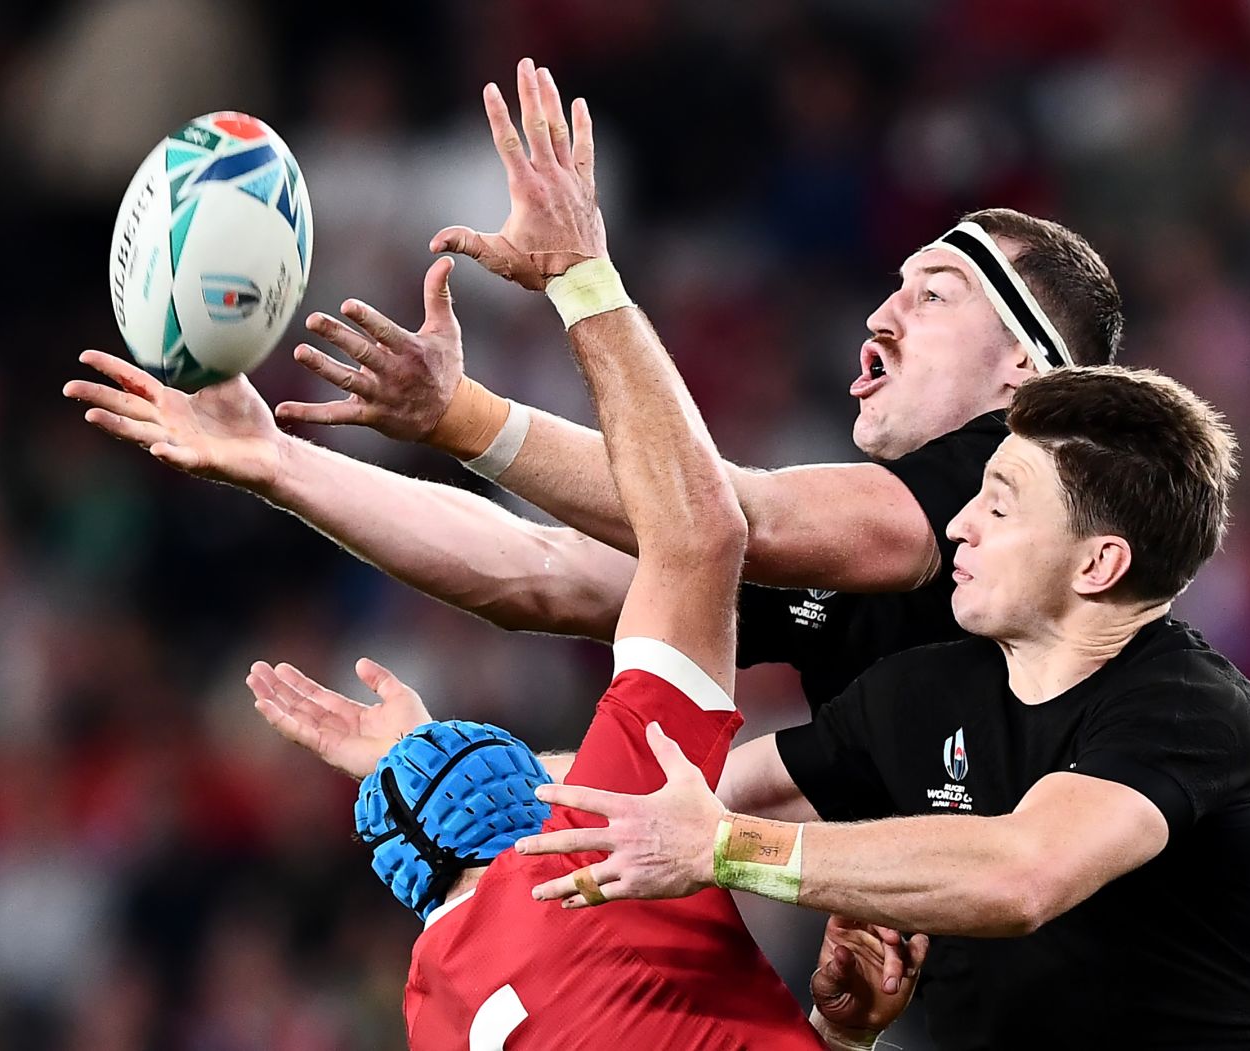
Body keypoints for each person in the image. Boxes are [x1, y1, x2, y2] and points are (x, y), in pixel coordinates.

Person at [64, 58, 1124, 710]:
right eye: (893, 284)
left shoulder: (1007, 494)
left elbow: (717, 513)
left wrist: (493, 383)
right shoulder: (871, 572)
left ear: (1024, 367)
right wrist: (280, 465)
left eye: (932, 292)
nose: (881, 312)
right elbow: (543, 572)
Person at [245, 88, 918, 1047]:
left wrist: (281, 465)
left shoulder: (433, 1011)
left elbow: (544, 568)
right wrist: (579, 273)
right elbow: (696, 535)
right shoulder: (595, 854)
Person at [509, 365, 1250, 1049]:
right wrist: (445, 765)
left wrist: (730, 848)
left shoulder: (1187, 707)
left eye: (1001, 503)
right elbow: (670, 795)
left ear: (1098, 565)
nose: (960, 525)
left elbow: (1021, 873)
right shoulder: (923, 692)